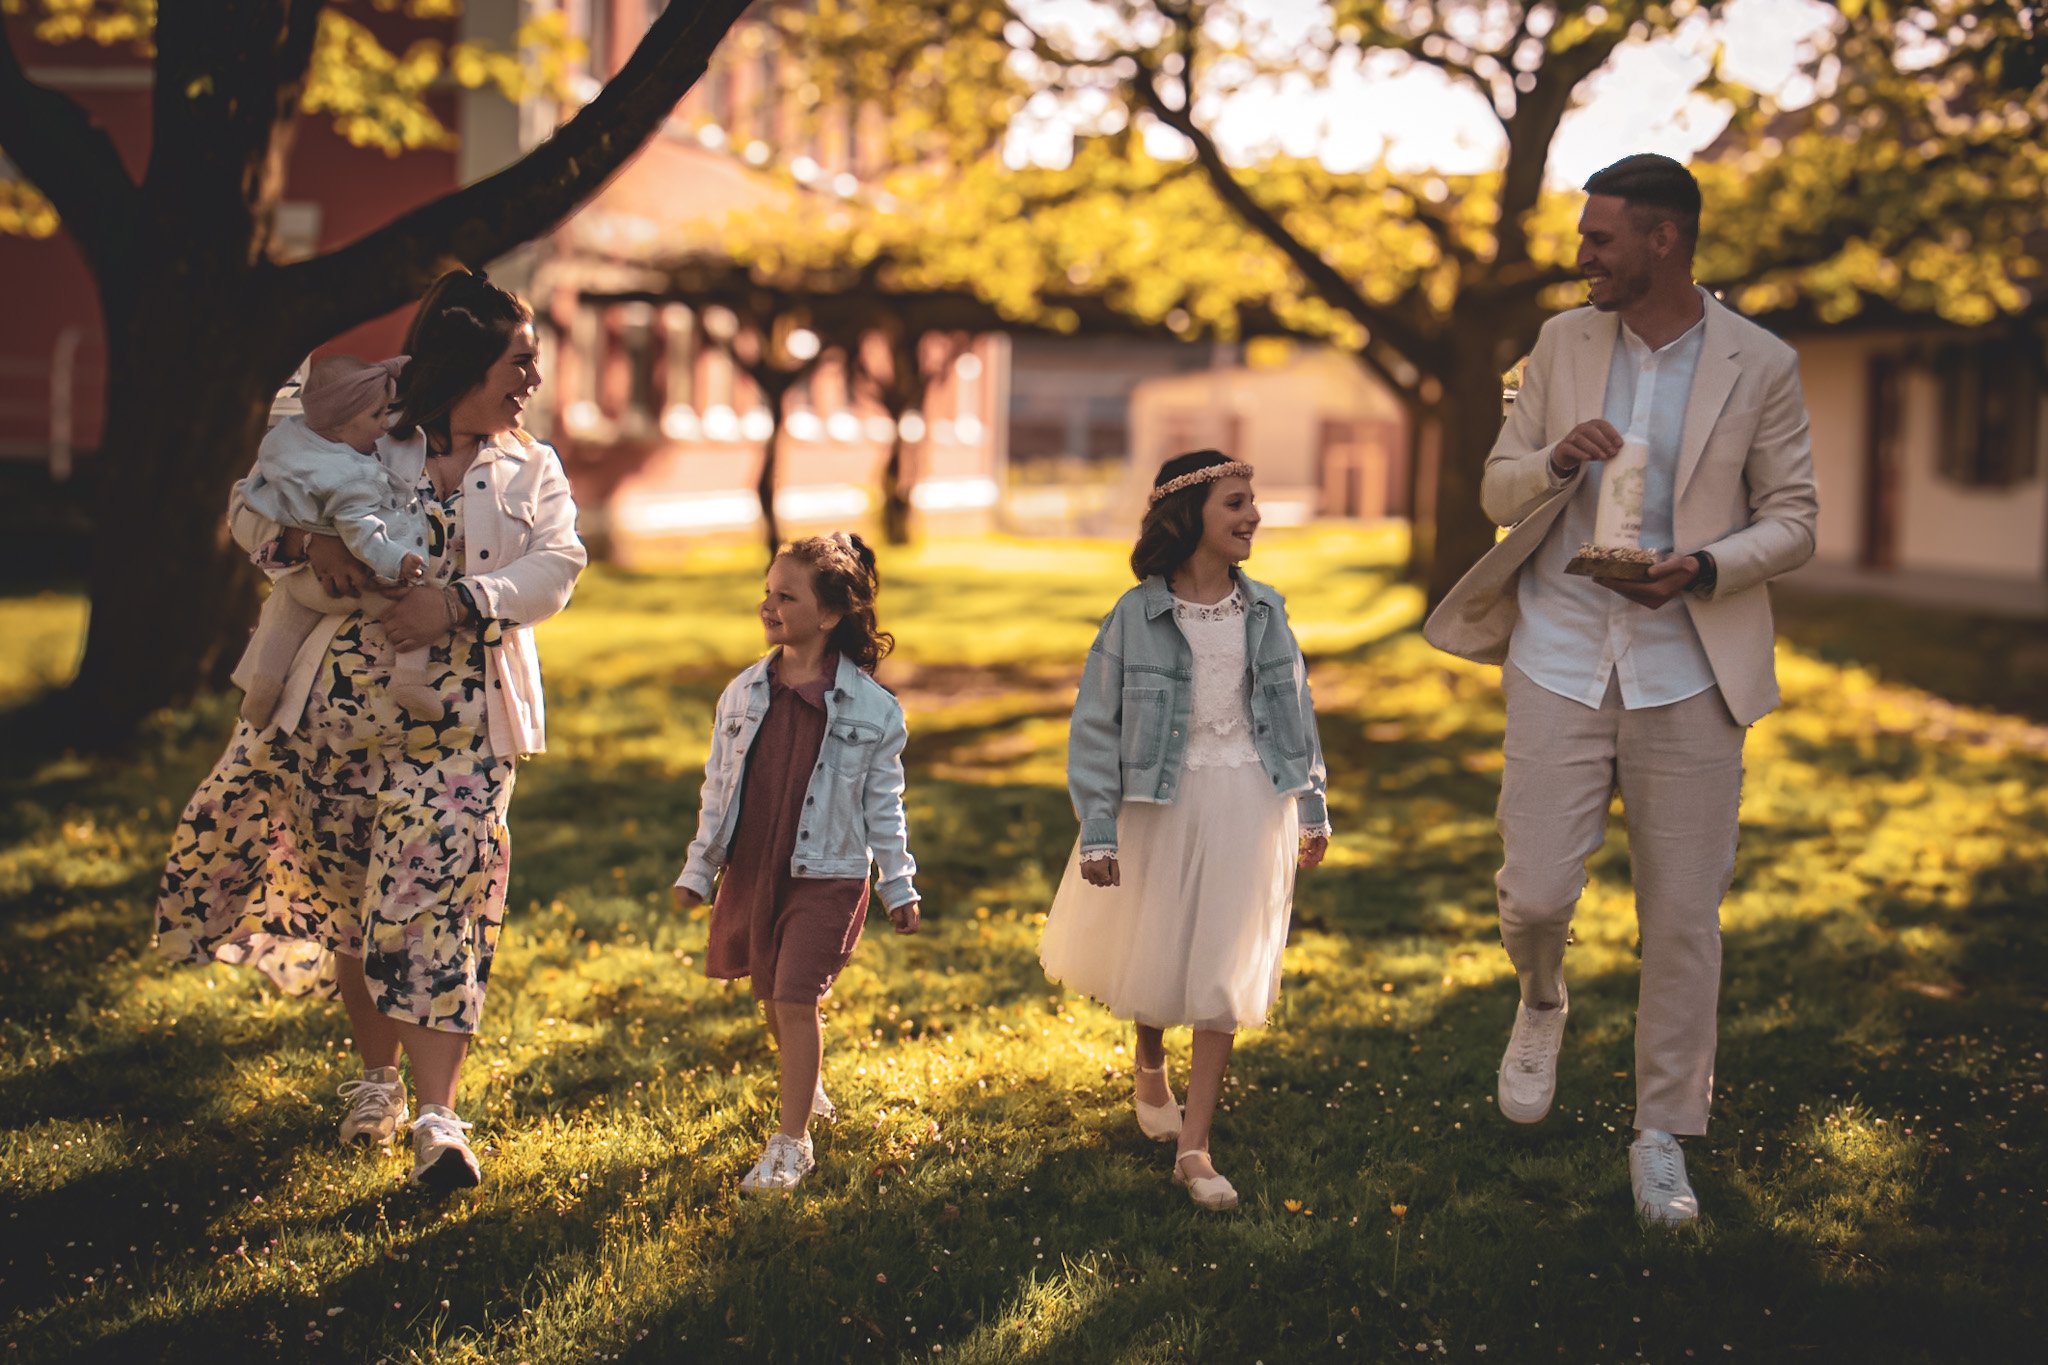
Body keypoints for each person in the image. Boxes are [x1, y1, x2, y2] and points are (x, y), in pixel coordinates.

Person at [1423, 154, 1818, 1224]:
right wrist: (1554, 459)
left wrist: (1700, 569)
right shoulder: (1558, 343)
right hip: (1555, 651)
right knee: (1536, 892)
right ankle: (1541, 996)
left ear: (1663, 240)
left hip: (1687, 670)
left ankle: (1660, 1135)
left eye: (1600, 238)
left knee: (1682, 920)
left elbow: (1793, 517)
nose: (1579, 254)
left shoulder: (1759, 363)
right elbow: (1495, 488)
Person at [155, 269, 587, 1191]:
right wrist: (302, 544)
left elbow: (557, 568)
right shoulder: (364, 434)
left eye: (533, 363)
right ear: (466, 361)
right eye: (519, 361)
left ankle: (440, 1119)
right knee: (358, 908)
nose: (531, 381)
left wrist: (461, 604)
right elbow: (249, 504)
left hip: (463, 733)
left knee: (433, 902)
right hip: (332, 723)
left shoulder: (529, 468)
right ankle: (378, 1081)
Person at [1040, 450, 1330, 1211]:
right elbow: (1095, 726)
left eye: (1253, 501)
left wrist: (1312, 804)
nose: (1252, 515)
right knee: (1157, 936)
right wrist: (1099, 826)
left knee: (1220, 960)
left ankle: (1194, 1146)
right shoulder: (1136, 614)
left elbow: (1297, 713)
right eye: (1235, 502)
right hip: (1158, 797)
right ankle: (1147, 1057)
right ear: (1190, 514)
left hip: (1248, 797)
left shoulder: (1265, 610)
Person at [672, 533, 922, 1196]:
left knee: (794, 994)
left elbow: (885, 804)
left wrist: (899, 885)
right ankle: (804, 1091)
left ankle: (792, 1143)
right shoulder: (745, 692)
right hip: (757, 864)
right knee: (771, 992)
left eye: (787, 596)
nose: (769, 605)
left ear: (831, 613)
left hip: (829, 870)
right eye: (767, 592)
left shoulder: (872, 709)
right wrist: (700, 869)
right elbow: (718, 784)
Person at [230, 354, 439, 727]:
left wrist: (302, 535)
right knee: (410, 605)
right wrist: (398, 561)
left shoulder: (288, 442)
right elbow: (363, 533)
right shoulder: (354, 475)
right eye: (377, 416)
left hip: (300, 583)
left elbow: (252, 496)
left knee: (284, 612)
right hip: (351, 584)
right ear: (342, 425)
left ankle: (262, 689)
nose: (384, 425)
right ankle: (409, 681)